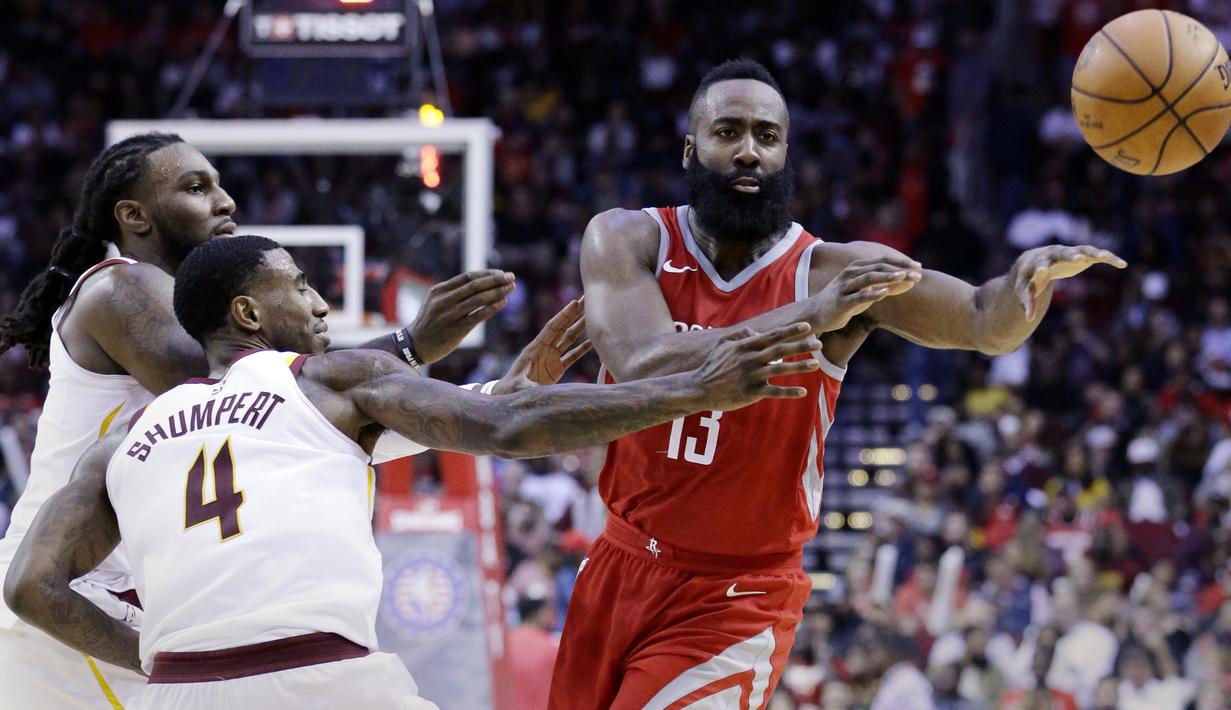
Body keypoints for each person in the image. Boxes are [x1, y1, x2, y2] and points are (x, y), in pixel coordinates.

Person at [3, 235, 822, 709]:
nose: (322, 304)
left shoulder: (127, 439)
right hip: (322, 682)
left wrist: (148, 653)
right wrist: (690, 388)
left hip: (181, 692)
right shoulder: (324, 380)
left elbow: (30, 587)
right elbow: (507, 431)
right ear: (249, 314)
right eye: (300, 286)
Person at [552, 59, 1125, 708]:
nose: (747, 151)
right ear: (691, 149)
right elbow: (638, 364)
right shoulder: (629, 238)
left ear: (786, 154)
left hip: (734, 596)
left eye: (766, 137)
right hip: (617, 562)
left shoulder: (833, 273)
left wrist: (1025, 286)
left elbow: (978, 320)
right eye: (728, 132)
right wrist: (808, 319)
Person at [0, 133, 587, 708]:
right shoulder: (120, 286)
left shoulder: (177, 322)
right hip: (75, 594)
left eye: (221, 185)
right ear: (135, 215)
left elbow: (298, 413)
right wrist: (409, 349)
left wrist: (481, 396)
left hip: (120, 594)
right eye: (196, 188)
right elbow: (285, 404)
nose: (225, 201)